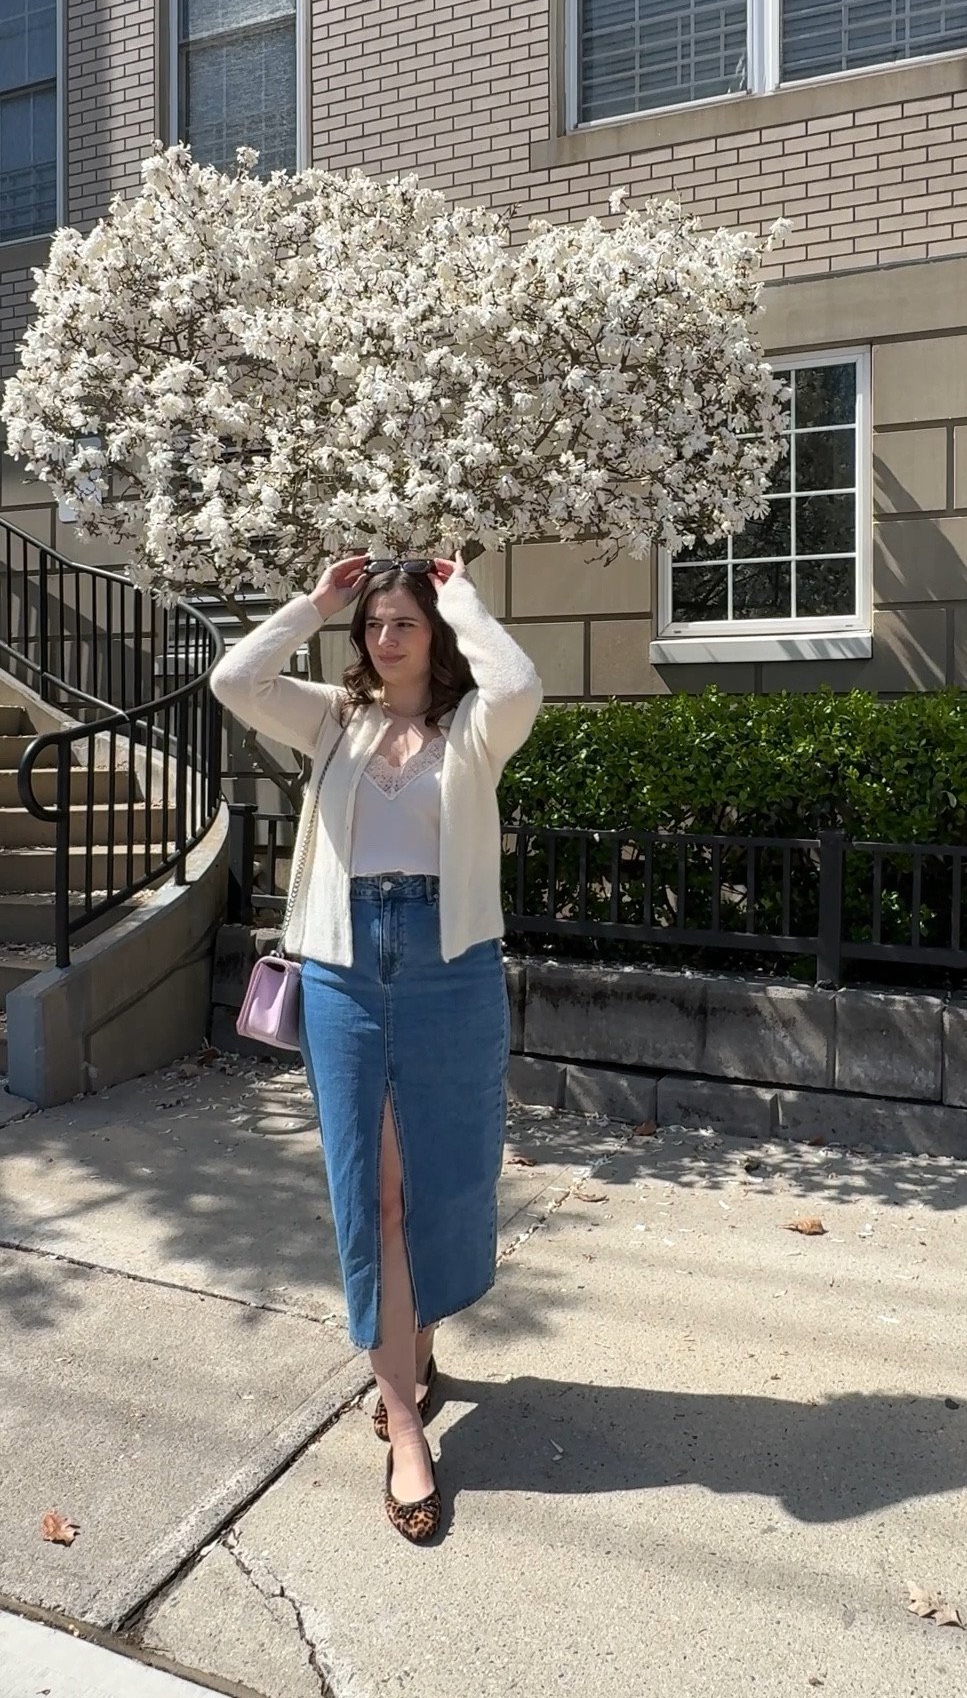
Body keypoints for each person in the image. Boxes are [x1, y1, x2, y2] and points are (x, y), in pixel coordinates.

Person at [210, 552, 542, 1542]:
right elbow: (235, 681)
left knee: (442, 1179)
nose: (384, 639)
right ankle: (404, 1423)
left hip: (450, 964)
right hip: (348, 966)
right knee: (377, 1188)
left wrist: (466, 597)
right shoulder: (332, 718)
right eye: (373, 626)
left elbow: (520, 681)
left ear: (435, 634)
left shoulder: (475, 725)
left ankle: (413, 1349)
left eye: (403, 623)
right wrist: (316, 603)